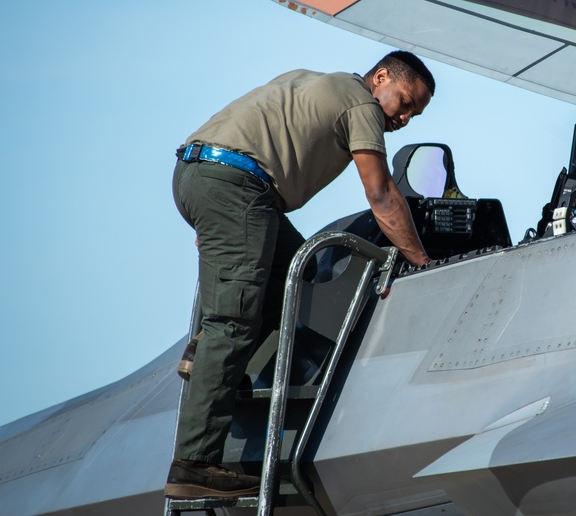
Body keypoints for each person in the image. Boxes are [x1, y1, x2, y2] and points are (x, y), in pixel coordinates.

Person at [164, 51, 434, 499]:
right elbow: (382, 194)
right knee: (234, 321)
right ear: (381, 76)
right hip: (237, 184)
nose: (404, 118)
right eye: (404, 102)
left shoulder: (311, 81)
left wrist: (215, 213)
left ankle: (202, 351)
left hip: (198, 173)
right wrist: (421, 263)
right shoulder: (362, 106)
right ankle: (194, 464)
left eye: (413, 114)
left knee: (299, 273)